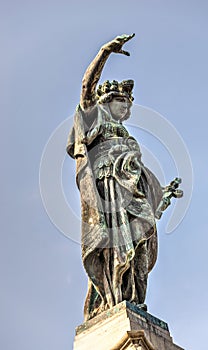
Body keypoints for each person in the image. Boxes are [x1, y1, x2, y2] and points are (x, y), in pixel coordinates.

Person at [67, 34, 166, 321]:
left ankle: (133, 297)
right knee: (115, 240)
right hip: (109, 185)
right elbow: (87, 87)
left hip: (131, 186)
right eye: (122, 102)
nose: (127, 108)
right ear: (109, 101)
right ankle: (113, 297)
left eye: (129, 103)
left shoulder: (122, 130)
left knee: (140, 239)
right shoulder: (92, 115)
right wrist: (104, 52)